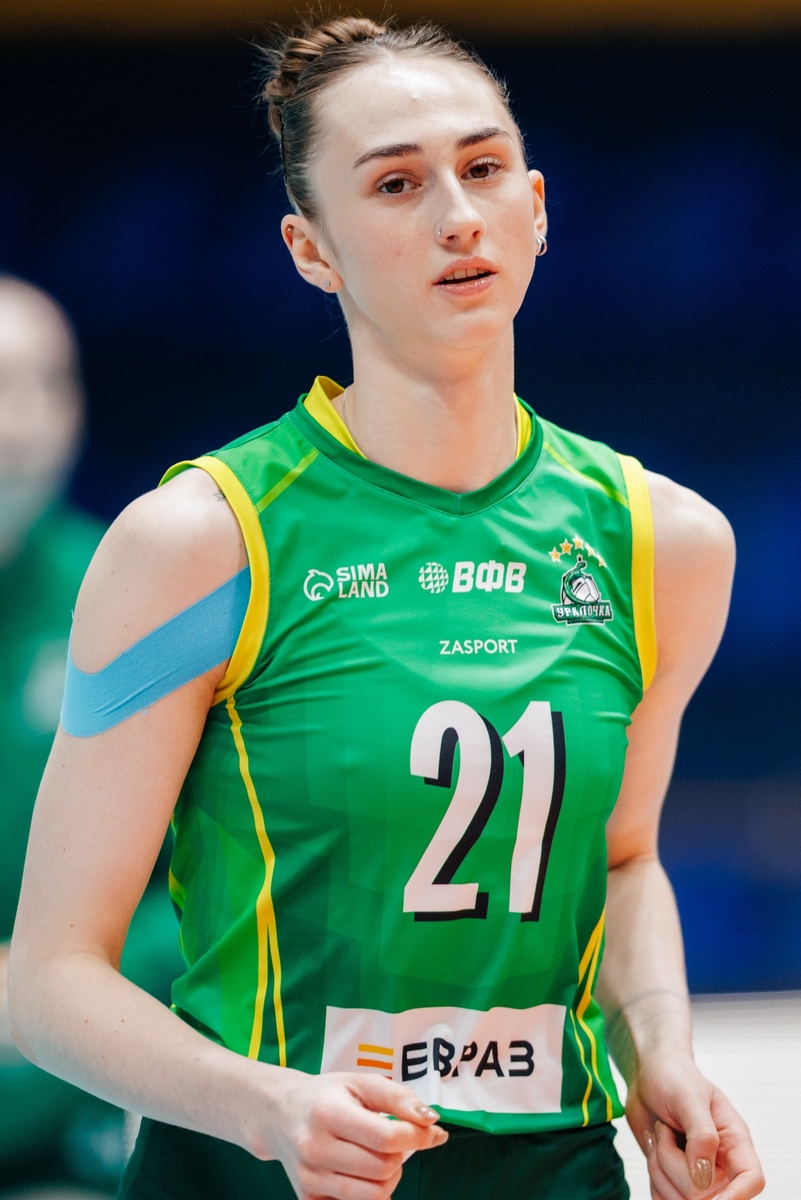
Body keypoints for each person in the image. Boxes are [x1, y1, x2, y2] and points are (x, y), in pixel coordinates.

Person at [8, 18, 764, 1200]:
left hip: (552, 1172)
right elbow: (48, 982)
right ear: (311, 249)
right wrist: (268, 1109)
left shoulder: (663, 542)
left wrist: (658, 1052)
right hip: (258, 1176)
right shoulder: (202, 542)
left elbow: (622, 865)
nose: (458, 215)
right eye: (398, 184)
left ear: (537, 208)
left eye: (485, 167)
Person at [0, 276, 182, 1197]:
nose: (20, 424)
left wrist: (46, 978)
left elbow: (211, 881)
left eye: (47, 385)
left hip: (64, 1125)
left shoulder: (124, 596)